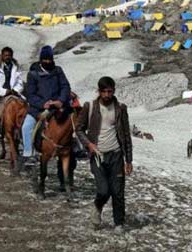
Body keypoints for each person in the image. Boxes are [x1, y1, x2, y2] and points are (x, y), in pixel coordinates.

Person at [75, 76, 132, 229]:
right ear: (99, 91)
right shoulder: (90, 107)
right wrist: (89, 144)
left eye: (110, 91)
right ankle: (97, 207)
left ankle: (119, 223)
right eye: (104, 92)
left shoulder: (120, 108)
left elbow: (126, 135)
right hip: (98, 155)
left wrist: (129, 160)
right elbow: (79, 129)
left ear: (114, 91)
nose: (107, 95)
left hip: (116, 155)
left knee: (118, 192)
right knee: (103, 190)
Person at [21, 45, 71, 168]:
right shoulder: (33, 74)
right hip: (39, 108)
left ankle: (78, 147)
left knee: (75, 122)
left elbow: (65, 86)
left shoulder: (58, 70)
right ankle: (28, 154)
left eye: (49, 59)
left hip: (58, 106)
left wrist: (60, 100)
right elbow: (30, 94)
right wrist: (43, 104)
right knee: (26, 126)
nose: (47, 62)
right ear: (41, 59)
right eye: (45, 59)